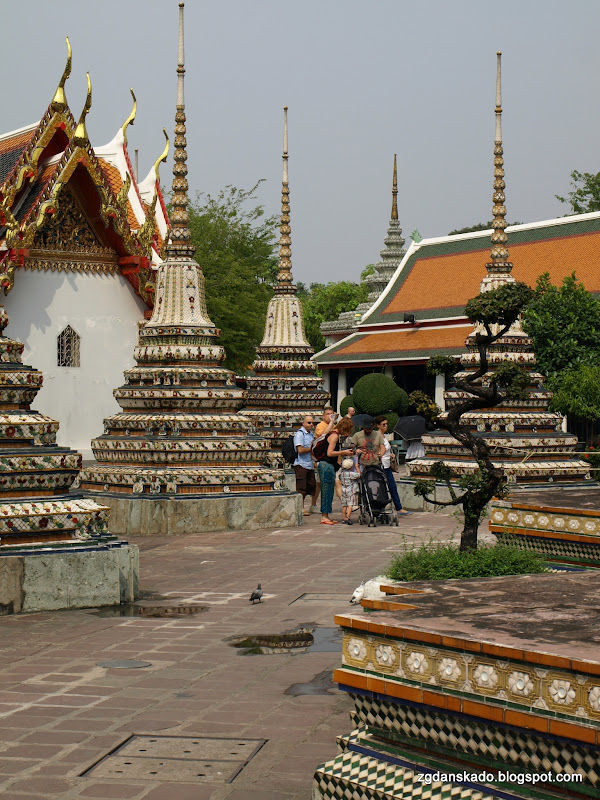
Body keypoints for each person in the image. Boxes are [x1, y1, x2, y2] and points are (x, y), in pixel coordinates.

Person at [318, 420, 354, 525]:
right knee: (326, 491)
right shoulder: (334, 436)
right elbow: (330, 453)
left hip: (328, 466)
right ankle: (324, 517)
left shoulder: (332, 433)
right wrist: (344, 452)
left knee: (329, 492)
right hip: (326, 465)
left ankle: (326, 516)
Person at [374, 415, 412, 515]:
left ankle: (399, 508)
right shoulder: (376, 436)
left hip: (387, 465)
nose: (386, 426)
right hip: (380, 466)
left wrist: (390, 454)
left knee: (392, 487)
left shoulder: (384, 436)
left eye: (386, 424)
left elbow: (386, 449)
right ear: (378, 425)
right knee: (382, 488)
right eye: (383, 424)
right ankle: (380, 508)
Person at [311, 406, 337, 513]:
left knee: (335, 482)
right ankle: (313, 504)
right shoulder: (320, 426)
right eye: (328, 414)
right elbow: (322, 435)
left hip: (331, 459)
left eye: (332, 414)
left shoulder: (334, 425)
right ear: (323, 416)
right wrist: (331, 423)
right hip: (321, 457)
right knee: (319, 483)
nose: (330, 416)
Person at [293, 415, 316, 516]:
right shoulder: (299, 434)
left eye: (312, 423)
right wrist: (311, 448)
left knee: (311, 486)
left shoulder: (311, 434)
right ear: (303, 423)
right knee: (301, 487)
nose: (311, 425)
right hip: (301, 463)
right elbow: (300, 450)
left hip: (309, 464)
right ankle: (300, 508)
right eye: (309, 423)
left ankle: (310, 505)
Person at [338, 457, 360, 524]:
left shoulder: (341, 474)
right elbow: (359, 475)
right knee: (350, 505)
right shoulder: (351, 474)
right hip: (351, 490)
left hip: (344, 490)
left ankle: (344, 518)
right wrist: (357, 468)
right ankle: (348, 517)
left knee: (344, 505)